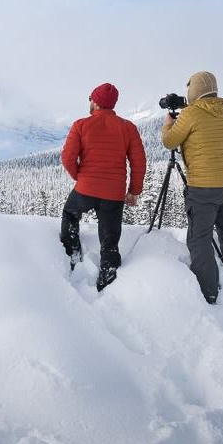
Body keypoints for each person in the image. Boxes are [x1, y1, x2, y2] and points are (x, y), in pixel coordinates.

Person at [161, 71, 223, 304]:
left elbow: (170, 141)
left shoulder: (191, 113)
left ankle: (208, 292)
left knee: (199, 238)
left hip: (204, 186)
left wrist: (168, 124)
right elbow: (206, 117)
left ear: (193, 91)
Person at [60, 83, 147, 292]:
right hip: (113, 194)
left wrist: (80, 177)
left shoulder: (81, 125)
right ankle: (108, 278)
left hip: (85, 190)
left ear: (95, 102)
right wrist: (134, 191)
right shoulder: (128, 127)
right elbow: (139, 162)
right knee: (110, 239)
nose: (90, 101)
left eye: (90, 98)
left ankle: (73, 253)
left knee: (70, 214)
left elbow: (67, 158)